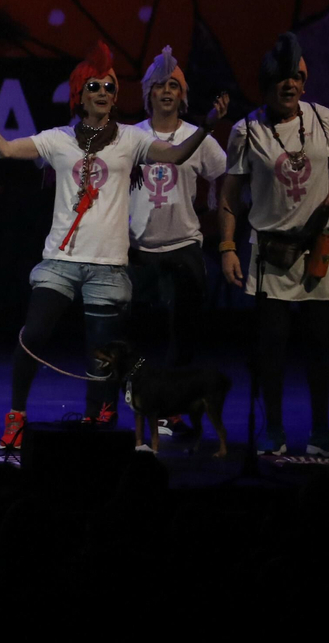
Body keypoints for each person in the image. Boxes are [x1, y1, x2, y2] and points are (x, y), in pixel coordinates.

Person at [0, 41, 226, 453]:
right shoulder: (58, 139)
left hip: (108, 267)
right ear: (80, 94)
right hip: (60, 261)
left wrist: (207, 126)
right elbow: (5, 148)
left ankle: (99, 417)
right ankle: (16, 417)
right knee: (33, 335)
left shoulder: (131, 139)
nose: (103, 92)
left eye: (110, 87)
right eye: (94, 85)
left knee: (102, 354)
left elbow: (175, 154)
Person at [219, 32, 329, 457]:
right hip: (271, 254)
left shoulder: (322, 118)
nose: (290, 85)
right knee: (271, 347)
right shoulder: (247, 130)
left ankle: (321, 431)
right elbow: (230, 194)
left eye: (297, 77)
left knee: (318, 345)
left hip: (316, 249)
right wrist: (227, 246)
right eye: (282, 78)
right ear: (267, 84)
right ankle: (272, 429)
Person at [127, 46, 224, 436]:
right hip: (139, 249)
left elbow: (225, 173)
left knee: (182, 334)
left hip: (183, 246)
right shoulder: (132, 136)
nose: (166, 91)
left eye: (173, 86)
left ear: (182, 95)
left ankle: (174, 409)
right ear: (148, 93)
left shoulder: (197, 137)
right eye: (159, 86)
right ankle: (142, 404)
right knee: (137, 333)